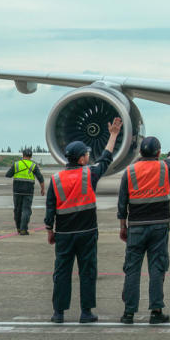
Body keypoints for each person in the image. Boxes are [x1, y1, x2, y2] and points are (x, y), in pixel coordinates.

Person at [44, 117, 122, 324]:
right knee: (87, 272)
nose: (89, 156)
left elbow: (50, 207)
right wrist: (113, 134)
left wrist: (49, 230)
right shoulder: (90, 174)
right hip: (87, 233)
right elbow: (106, 158)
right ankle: (86, 312)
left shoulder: (56, 179)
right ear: (80, 159)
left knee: (61, 273)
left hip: (64, 234)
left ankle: (58, 313)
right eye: (87, 154)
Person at [118, 112, 170, 325]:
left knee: (132, 269)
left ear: (140, 152)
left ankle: (128, 312)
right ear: (158, 152)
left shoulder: (129, 172)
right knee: (157, 268)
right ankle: (156, 311)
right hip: (159, 226)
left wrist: (123, 225)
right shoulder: (165, 168)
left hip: (136, 226)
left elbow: (122, 203)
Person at [4, 148, 44, 235]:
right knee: (26, 210)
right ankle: (23, 229)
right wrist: (42, 189)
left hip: (17, 190)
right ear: (31, 156)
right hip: (28, 191)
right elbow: (40, 178)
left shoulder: (16, 164)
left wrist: (16, 172)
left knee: (17, 210)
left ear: (23, 155)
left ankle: (18, 228)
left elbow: (8, 175)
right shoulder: (33, 165)